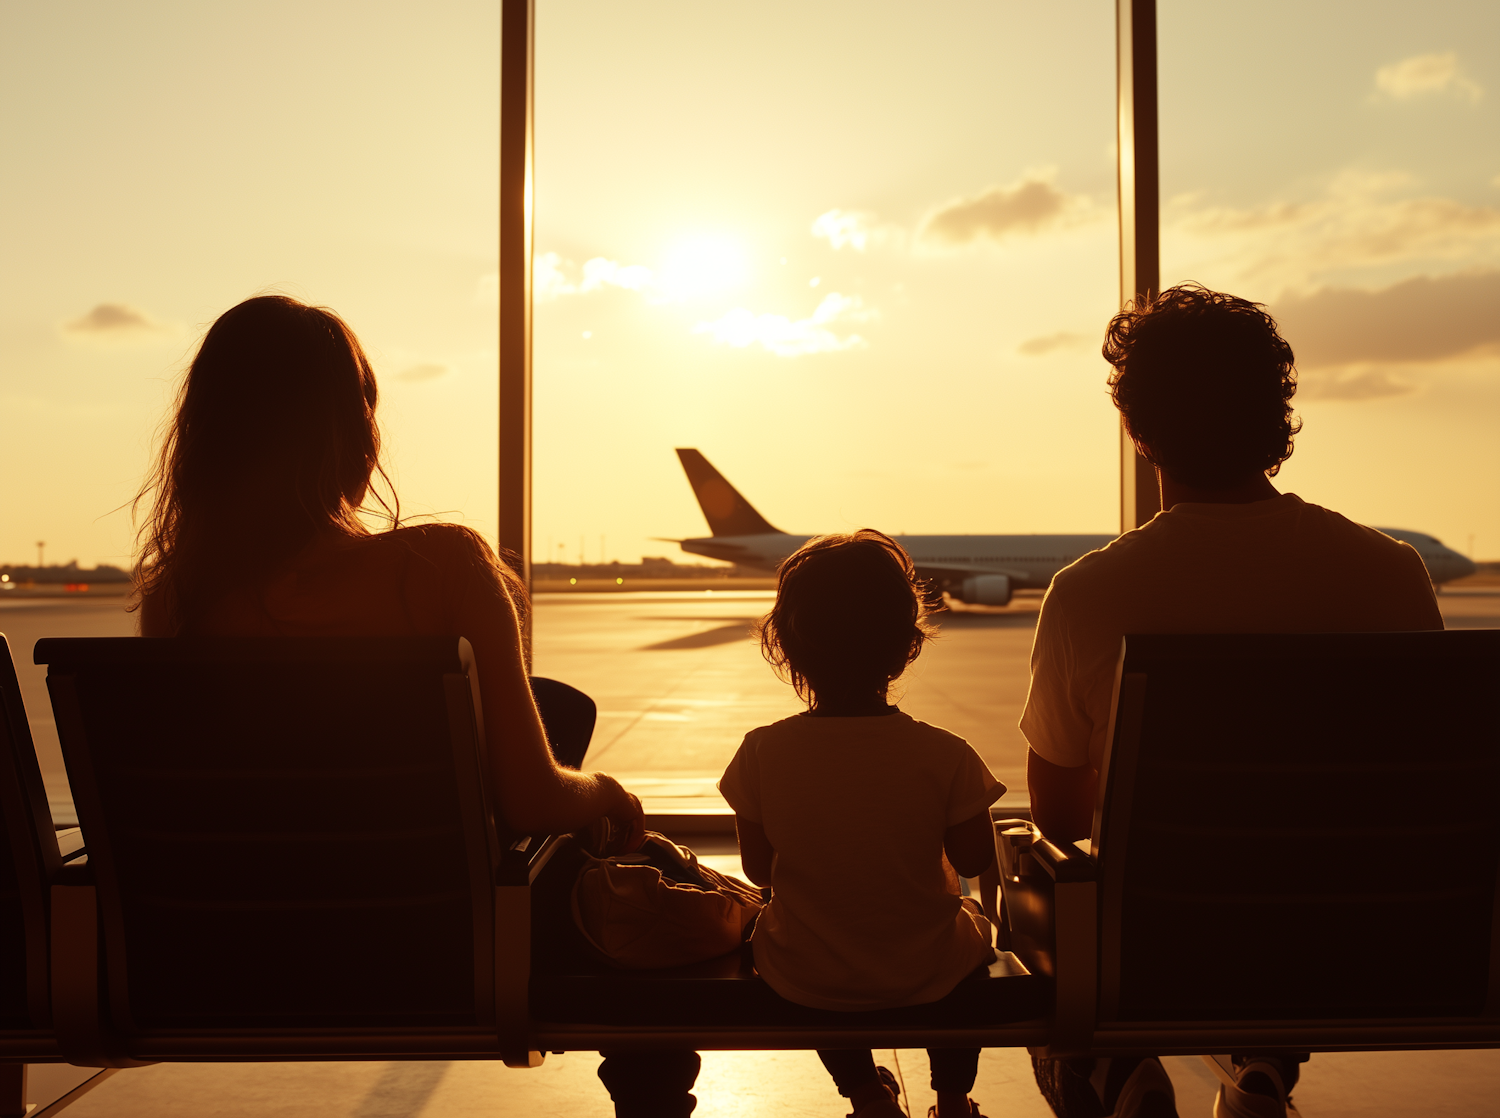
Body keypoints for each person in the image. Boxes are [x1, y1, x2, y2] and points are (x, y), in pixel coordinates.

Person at [133, 293, 696, 1117]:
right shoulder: (440, 566)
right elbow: (533, 797)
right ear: (350, 427)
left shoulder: (177, 600)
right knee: (653, 892)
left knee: (552, 707)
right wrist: (604, 794)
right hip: (436, 942)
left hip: (240, 949)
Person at [1019, 285, 1444, 1118]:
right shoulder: (1392, 574)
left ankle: (1110, 1071)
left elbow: (1060, 812)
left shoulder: (1087, 595)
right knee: (1283, 900)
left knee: (1023, 876)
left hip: (1160, 946)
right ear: (1276, 416)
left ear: (1139, 431)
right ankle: (1263, 1067)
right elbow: (1426, 785)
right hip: (1364, 946)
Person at [719, 530, 1006, 1118]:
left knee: (806, 951)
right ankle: (952, 1099)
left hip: (809, 971)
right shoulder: (946, 754)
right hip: (925, 964)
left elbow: (757, 870)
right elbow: (975, 861)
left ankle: (868, 1096)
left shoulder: (760, 752)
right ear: (907, 647)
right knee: (970, 931)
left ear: (788, 647)